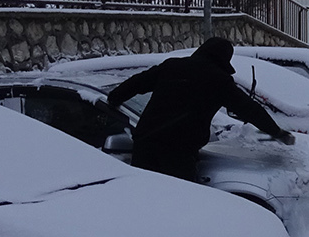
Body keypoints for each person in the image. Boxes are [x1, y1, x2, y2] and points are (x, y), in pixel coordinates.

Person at [106, 37, 295, 181]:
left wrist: (114, 98)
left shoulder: (172, 66)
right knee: (181, 204)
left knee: (145, 197)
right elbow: (249, 109)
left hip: (145, 143)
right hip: (179, 152)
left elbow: (137, 83)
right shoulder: (219, 80)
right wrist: (276, 131)